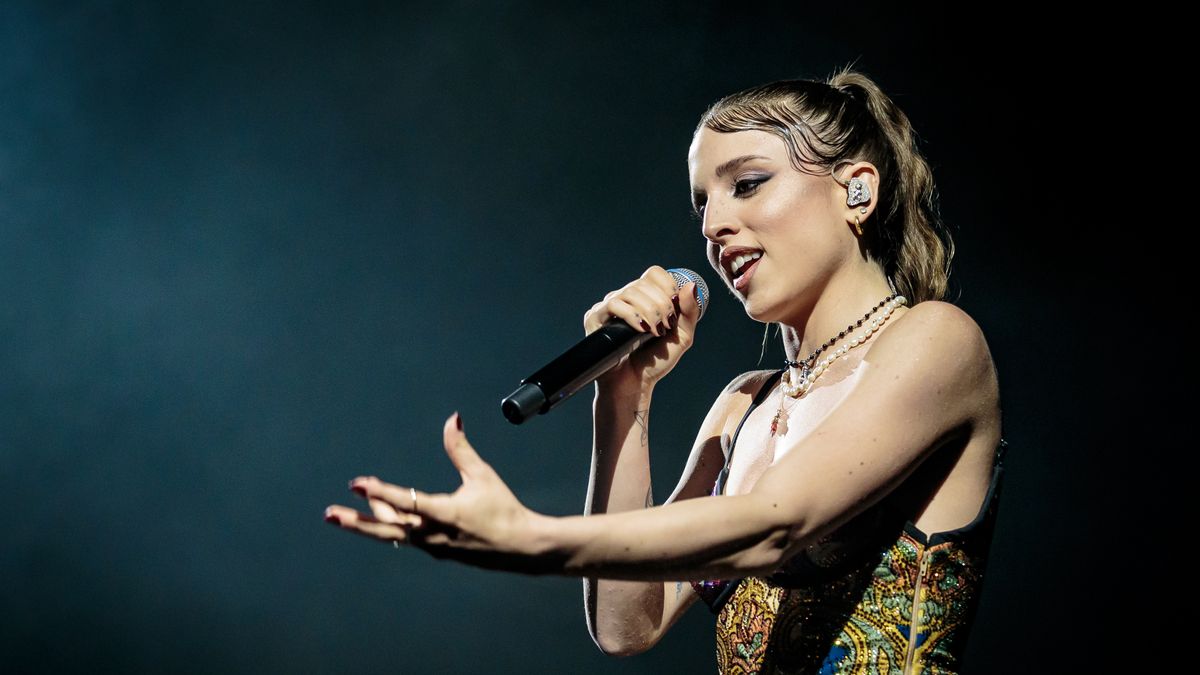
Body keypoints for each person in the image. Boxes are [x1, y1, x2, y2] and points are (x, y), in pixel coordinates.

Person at [323, 64, 1006, 674]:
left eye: (747, 183)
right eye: (703, 203)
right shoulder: (741, 407)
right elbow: (627, 624)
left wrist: (531, 537)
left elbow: (777, 523)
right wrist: (624, 395)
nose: (714, 224)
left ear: (857, 191)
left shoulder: (935, 342)